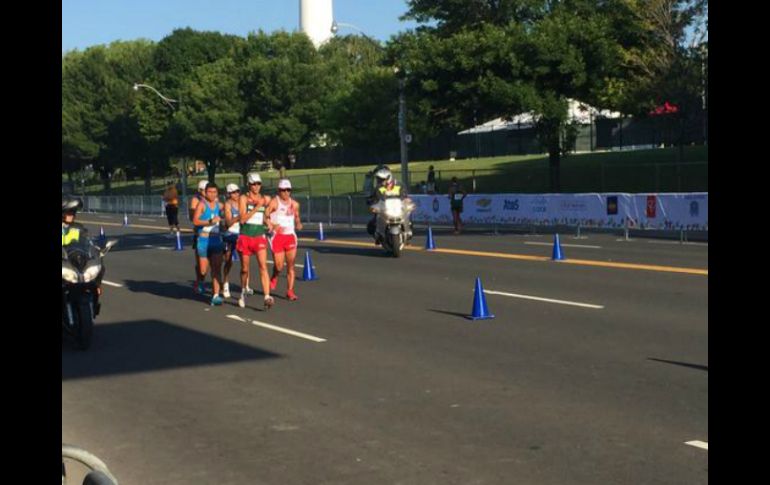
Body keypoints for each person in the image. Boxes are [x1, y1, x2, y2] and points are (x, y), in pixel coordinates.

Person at [236, 173, 274, 310]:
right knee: (245, 269)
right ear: (248, 185)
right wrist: (257, 207)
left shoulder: (264, 199)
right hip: (245, 236)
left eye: (258, 184)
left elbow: (264, 217)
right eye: (253, 184)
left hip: (259, 236)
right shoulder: (243, 198)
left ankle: (267, 296)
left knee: (263, 266)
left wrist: (269, 223)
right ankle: (243, 292)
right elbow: (242, 219)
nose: (256, 186)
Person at [265, 179, 303, 301]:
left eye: (288, 190)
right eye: (283, 190)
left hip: (290, 236)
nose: (286, 192)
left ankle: (290, 291)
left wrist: (298, 224)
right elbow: (265, 216)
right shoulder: (274, 202)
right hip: (277, 237)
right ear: (279, 191)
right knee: (279, 265)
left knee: (291, 265)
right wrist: (271, 224)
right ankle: (274, 276)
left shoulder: (295, 204)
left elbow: (297, 217)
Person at [192, 183, 225, 306]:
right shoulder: (202, 205)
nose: (212, 194)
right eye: (210, 192)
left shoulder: (219, 205)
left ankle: (215, 295)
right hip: (204, 240)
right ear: (205, 193)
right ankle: (200, 281)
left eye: (214, 192)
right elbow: (195, 221)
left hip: (216, 240)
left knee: (216, 268)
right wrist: (210, 221)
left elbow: (228, 208)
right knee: (203, 270)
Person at [366, 166, 411, 242]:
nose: (379, 181)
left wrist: (406, 200)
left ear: (388, 177)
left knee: (407, 215)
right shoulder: (378, 188)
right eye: (379, 179)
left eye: (381, 179)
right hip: (384, 209)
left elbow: (404, 195)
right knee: (371, 224)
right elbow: (372, 197)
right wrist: (371, 202)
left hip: (397, 208)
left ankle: (407, 231)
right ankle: (379, 235)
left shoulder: (399, 185)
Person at [222, 183, 243, 300]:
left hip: (241, 234)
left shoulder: (242, 202)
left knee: (245, 261)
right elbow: (228, 223)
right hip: (230, 234)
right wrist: (238, 217)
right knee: (228, 261)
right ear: (229, 194)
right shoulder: (228, 204)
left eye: (237, 191)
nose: (236, 194)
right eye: (234, 192)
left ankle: (246, 286)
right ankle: (225, 283)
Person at [189, 180, 208, 295]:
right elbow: (193, 218)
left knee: (211, 262)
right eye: (205, 190)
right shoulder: (195, 200)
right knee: (200, 262)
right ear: (200, 190)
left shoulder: (213, 199)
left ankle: (203, 281)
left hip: (212, 233)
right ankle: (199, 281)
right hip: (200, 233)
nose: (207, 192)